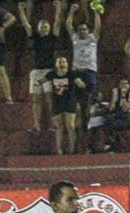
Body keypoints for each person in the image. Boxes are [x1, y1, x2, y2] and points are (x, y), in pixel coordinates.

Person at [19, 0, 61, 132]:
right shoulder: (35, 37)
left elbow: (58, 22)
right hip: (36, 71)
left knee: (49, 99)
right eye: (42, 26)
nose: (44, 28)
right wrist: (21, 10)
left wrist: (58, 9)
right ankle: (36, 125)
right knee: (36, 99)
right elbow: (26, 24)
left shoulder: (53, 37)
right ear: (39, 28)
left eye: (46, 26)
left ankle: (53, 124)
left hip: (48, 71)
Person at [66, 1, 102, 153]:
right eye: (80, 29)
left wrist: (96, 12)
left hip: (89, 73)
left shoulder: (92, 39)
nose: (82, 31)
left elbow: (98, 28)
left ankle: (85, 128)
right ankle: (79, 125)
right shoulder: (75, 39)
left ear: (88, 30)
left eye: (84, 29)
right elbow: (68, 26)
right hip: (77, 72)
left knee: (87, 104)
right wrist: (72, 12)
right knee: (76, 106)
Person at [45, 56, 87, 155]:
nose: (62, 64)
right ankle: (59, 149)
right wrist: (37, 82)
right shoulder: (52, 74)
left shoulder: (72, 74)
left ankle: (72, 149)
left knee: (70, 126)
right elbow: (41, 81)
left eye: (64, 62)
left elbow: (81, 85)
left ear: (67, 64)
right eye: (60, 62)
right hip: (57, 103)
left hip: (69, 102)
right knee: (59, 127)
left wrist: (81, 83)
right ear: (56, 64)